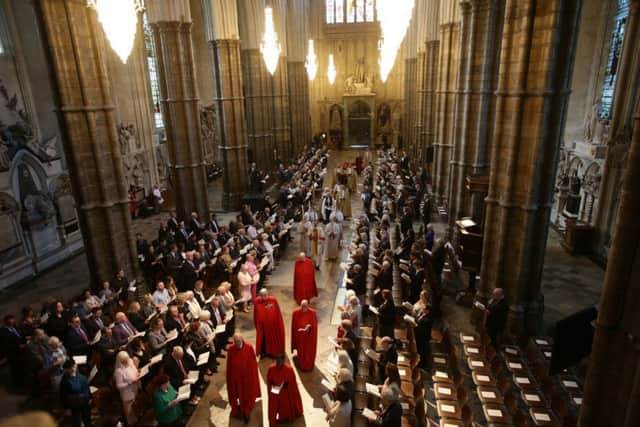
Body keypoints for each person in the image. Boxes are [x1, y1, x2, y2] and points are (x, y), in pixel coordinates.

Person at [226, 334, 261, 424]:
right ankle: (240, 409)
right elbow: (229, 365)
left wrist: (252, 378)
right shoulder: (231, 349)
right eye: (235, 342)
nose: (237, 344)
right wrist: (230, 378)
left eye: (238, 341)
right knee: (238, 395)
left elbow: (253, 365)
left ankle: (246, 413)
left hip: (247, 379)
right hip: (236, 378)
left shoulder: (249, 347)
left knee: (246, 396)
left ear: (242, 340)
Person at [266, 354, 303, 426]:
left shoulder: (289, 369)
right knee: (273, 407)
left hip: (285, 393)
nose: (279, 363)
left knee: (285, 407)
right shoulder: (271, 368)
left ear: (284, 360)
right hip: (275, 392)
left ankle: (285, 418)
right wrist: (275, 387)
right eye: (277, 361)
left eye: (280, 361)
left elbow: (293, 385)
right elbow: (269, 381)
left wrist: (285, 386)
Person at [60, 359, 92, 427]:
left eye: (73, 366)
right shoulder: (65, 380)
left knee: (87, 420)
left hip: (84, 402)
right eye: (70, 368)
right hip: (74, 404)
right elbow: (63, 395)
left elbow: (87, 388)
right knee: (77, 422)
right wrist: (66, 408)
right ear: (66, 369)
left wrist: (89, 398)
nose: (72, 369)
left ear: (76, 365)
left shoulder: (82, 377)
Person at [254, 289, 286, 358]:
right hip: (263, 326)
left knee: (273, 340)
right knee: (263, 340)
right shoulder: (257, 301)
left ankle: (273, 352)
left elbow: (277, 313)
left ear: (268, 294)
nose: (264, 297)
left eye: (265, 295)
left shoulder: (273, 300)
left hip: (272, 325)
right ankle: (264, 353)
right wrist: (258, 324)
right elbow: (256, 314)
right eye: (262, 296)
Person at [114, 351, 140, 425]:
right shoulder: (118, 371)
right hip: (127, 394)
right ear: (120, 361)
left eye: (127, 359)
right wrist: (130, 383)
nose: (127, 361)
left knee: (136, 409)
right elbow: (119, 385)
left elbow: (135, 371)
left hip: (135, 389)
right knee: (130, 413)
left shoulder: (130, 362)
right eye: (124, 361)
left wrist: (137, 372)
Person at [291, 300, 318, 371]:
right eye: (302, 306)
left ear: (308, 306)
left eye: (305, 306)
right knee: (301, 352)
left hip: (309, 338)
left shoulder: (313, 313)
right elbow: (294, 326)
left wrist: (309, 329)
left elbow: (314, 327)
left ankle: (308, 366)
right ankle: (302, 364)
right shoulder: (296, 313)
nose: (303, 308)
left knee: (308, 353)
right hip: (300, 338)